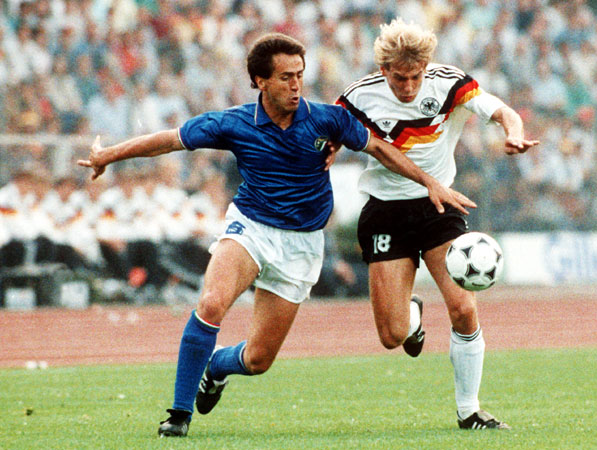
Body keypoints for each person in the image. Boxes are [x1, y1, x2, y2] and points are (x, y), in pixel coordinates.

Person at [78, 32, 474, 438]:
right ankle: (179, 414)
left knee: (258, 359)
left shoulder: (327, 119)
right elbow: (169, 140)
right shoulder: (233, 123)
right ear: (260, 81)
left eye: (300, 75)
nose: (296, 84)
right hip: (250, 228)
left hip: (302, 244)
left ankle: (216, 367)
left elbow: (379, 149)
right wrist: (109, 155)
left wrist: (429, 182)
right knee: (211, 303)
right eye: (286, 77)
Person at [335, 18, 539, 430]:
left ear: (426, 67)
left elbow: (502, 111)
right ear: (383, 69)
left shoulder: (450, 84)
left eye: (415, 76)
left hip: (440, 205)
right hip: (385, 212)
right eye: (399, 78)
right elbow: (330, 137)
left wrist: (514, 133)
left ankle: (469, 411)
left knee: (463, 307)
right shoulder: (358, 97)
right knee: (392, 336)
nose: (408, 86)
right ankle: (411, 313)